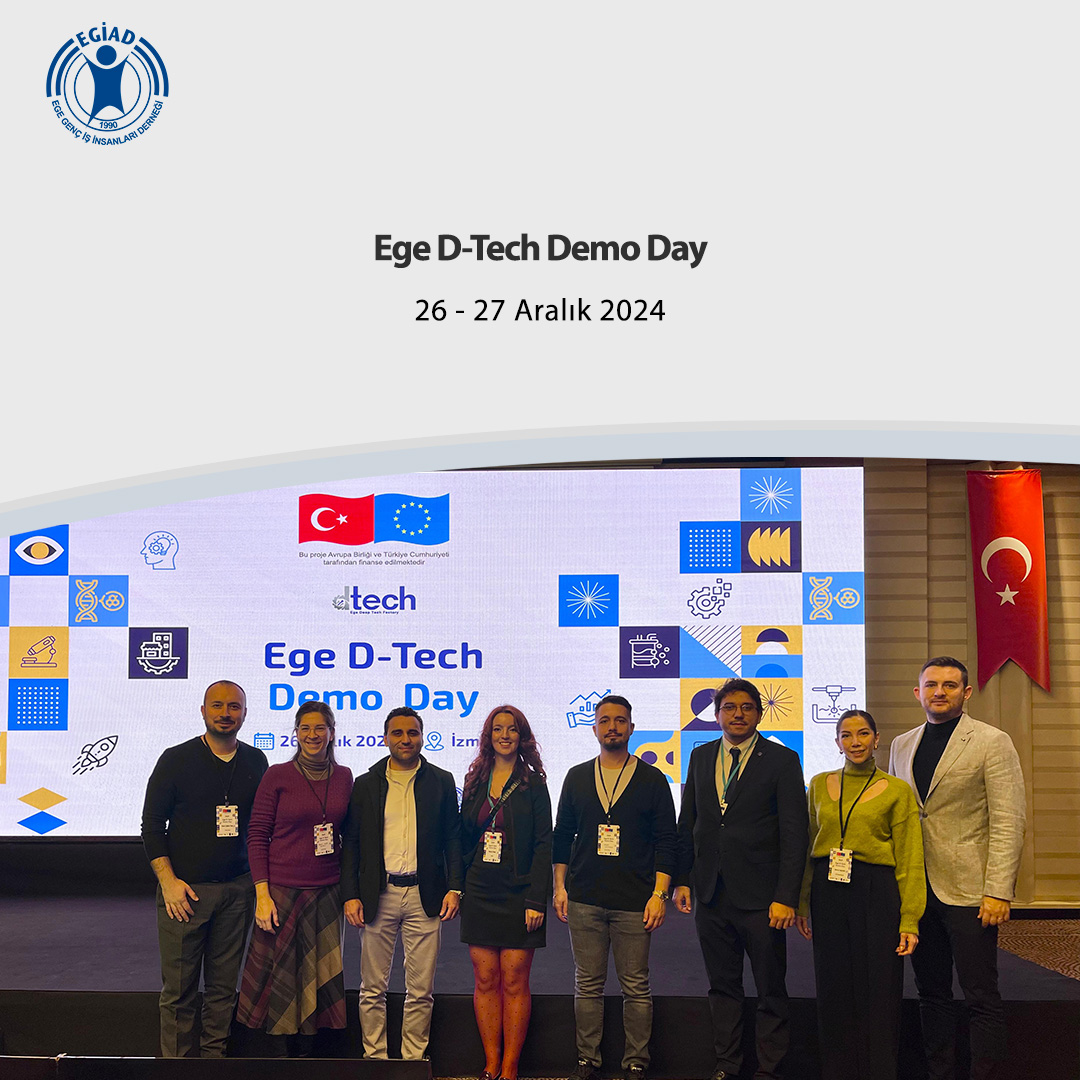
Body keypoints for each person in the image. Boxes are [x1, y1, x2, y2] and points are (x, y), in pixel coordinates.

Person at [889, 657, 1026, 1080]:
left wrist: (998, 890)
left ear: (965, 693)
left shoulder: (992, 741)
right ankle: (940, 1073)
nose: (939, 692)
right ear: (918, 693)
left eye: (949, 685)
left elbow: (1009, 820)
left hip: (971, 891)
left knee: (980, 995)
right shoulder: (901, 744)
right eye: (931, 685)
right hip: (918, 891)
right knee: (931, 994)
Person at [674, 677, 808, 1080]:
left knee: (770, 988)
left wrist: (786, 896)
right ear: (716, 715)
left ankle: (769, 1070)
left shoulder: (782, 760)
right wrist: (683, 880)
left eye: (747, 707)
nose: (738, 714)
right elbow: (688, 822)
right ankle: (727, 1066)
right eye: (729, 708)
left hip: (763, 898)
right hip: (711, 893)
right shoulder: (701, 756)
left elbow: (794, 833)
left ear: (759, 714)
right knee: (722, 986)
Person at [552, 694, 677, 1080]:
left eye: (620, 720)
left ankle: (636, 1062)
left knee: (635, 986)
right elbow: (562, 836)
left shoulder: (652, 779)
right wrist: (559, 887)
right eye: (605, 721)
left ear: (631, 728)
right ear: (594, 729)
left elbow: (667, 841)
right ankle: (587, 1060)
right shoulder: (576, 776)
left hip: (635, 901)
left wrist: (659, 895)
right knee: (587, 984)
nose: (612, 727)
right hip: (584, 898)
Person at [795, 709, 925, 1080]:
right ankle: (838, 1071)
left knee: (880, 986)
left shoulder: (897, 790)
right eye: (847, 735)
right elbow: (808, 846)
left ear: (876, 739)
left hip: (876, 890)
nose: (855, 742)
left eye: (863, 733)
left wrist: (910, 918)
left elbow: (910, 858)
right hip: (828, 890)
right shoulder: (818, 784)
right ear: (837, 742)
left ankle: (879, 1070)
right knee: (833, 986)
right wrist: (802, 901)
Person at [141, 680, 268, 1057]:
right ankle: (177, 1069)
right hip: (185, 894)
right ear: (203, 711)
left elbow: (262, 827)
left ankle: (213, 1064)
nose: (225, 714)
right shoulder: (175, 759)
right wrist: (169, 883)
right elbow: (152, 826)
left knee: (222, 991)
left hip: (238, 892)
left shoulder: (256, 761)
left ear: (244, 714)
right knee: (179, 993)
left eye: (233, 707)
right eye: (217, 705)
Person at [340, 706, 464, 1060]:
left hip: (426, 895)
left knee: (421, 990)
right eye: (397, 733)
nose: (405, 739)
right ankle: (375, 1059)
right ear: (385, 738)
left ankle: (413, 1060)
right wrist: (350, 894)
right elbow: (351, 843)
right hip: (378, 895)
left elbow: (453, 839)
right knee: (371, 988)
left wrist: (455, 887)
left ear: (422, 737)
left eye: (412, 733)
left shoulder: (441, 781)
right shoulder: (366, 783)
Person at [235, 701, 353, 1054]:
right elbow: (257, 835)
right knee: (282, 975)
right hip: (282, 892)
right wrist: (262, 895)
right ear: (296, 733)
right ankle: (281, 1056)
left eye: (320, 728)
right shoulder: (278, 775)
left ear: (331, 732)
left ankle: (308, 1053)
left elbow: (349, 836)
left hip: (327, 892)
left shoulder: (345, 777)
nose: (312, 735)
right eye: (305, 728)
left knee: (317, 975)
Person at [459, 705, 552, 1080]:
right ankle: (491, 1062)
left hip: (520, 894)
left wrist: (536, 899)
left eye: (511, 729)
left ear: (521, 736)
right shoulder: (474, 781)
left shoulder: (534, 784)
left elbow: (544, 844)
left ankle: (510, 1066)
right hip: (480, 891)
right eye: (497, 729)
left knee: (514, 980)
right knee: (485, 979)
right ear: (489, 736)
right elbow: (463, 839)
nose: (504, 735)